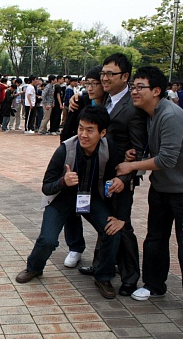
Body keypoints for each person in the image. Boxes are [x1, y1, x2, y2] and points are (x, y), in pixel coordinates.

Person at [16, 105, 125, 299]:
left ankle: (103, 276)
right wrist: (63, 182)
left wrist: (121, 213)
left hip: (92, 199)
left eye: (90, 130)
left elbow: (123, 179)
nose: (83, 134)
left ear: (103, 132)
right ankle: (34, 267)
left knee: (112, 230)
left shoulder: (110, 149)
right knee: (47, 240)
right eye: (81, 128)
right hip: (61, 199)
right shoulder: (65, 149)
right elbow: (46, 186)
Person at [116, 66, 183, 324]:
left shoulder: (170, 115)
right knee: (155, 239)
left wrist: (132, 166)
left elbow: (168, 159)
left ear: (156, 91)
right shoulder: (147, 114)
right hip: (161, 189)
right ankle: (154, 285)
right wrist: (136, 156)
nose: (134, 91)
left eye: (140, 87)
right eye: (133, 87)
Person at [66, 53, 146, 298]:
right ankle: (104, 266)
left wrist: (126, 177)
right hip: (100, 175)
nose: (105, 78)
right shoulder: (103, 101)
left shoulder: (133, 107)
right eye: (103, 74)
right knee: (106, 222)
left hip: (121, 177)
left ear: (125, 76)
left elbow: (139, 148)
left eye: (111, 74)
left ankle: (131, 276)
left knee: (122, 225)